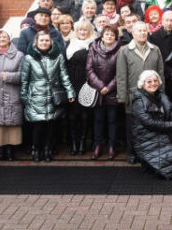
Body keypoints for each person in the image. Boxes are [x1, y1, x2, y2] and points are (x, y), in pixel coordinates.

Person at [20, 31, 76, 162]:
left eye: (46, 40)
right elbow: (24, 80)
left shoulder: (58, 57)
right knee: (38, 125)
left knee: (51, 124)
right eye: (41, 40)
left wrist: (70, 92)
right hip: (36, 96)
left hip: (53, 96)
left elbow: (64, 76)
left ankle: (47, 150)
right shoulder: (29, 58)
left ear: (50, 42)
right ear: (36, 42)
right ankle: (36, 150)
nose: (44, 43)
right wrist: (24, 97)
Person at [116, 22, 165, 164]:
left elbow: (161, 74)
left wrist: (161, 94)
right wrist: (122, 96)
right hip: (133, 95)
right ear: (133, 33)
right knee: (132, 126)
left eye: (145, 31)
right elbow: (121, 76)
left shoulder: (155, 49)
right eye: (139, 31)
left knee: (150, 125)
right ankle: (132, 152)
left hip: (152, 95)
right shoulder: (125, 50)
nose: (143, 33)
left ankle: (148, 152)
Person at [131, 70, 172, 179]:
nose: (153, 83)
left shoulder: (161, 95)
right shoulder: (138, 101)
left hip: (160, 129)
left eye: (155, 80)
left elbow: (171, 113)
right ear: (143, 84)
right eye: (149, 82)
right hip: (145, 136)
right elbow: (149, 123)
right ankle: (152, 167)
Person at [0, 29, 24, 161]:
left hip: (12, 94)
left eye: (4, 37)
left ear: (10, 39)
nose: (2, 39)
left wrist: (8, 77)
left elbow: (23, 75)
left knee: (12, 124)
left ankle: (10, 152)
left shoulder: (19, 55)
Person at [86, 25, 122, 160]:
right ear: (102, 35)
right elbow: (89, 69)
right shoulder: (93, 48)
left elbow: (121, 71)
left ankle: (112, 147)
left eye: (112, 35)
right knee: (98, 120)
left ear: (115, 37)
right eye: (107, 34)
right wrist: (101, 86)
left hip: (113, 91)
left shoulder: (120, 50)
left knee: (113, 120)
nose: (109, 37)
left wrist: (109, 87)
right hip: (98, 91)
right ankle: (97, 146)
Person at [65, 19, 96, 155]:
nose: (82, 32)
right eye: (80, 30)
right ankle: (74, 142)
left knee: (85, 114)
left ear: (89, 31)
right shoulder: (69, 44)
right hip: (71, 82)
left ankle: (83, 141)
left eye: (85, 30)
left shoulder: (94, 44)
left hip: (87, 82)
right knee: (72, 114)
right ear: (76, 31)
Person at [150, 10, 172, 110]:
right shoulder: (154, 37)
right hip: (162, 76)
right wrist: (170, 72)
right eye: (167, 20)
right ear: (162, 21)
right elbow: (155, 59)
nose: (169, 23)